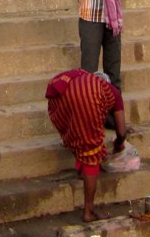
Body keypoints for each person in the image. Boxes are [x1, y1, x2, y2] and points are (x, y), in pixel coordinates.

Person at [45, 69, 128, 223]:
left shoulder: (80, 76)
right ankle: (88, 211)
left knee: (79, 130)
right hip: (87, 96)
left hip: (60, 99)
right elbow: (122, 132)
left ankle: (82, 170)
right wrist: (118, 146)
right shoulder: (111, 92)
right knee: (91, 150)